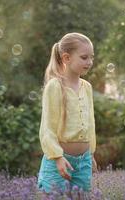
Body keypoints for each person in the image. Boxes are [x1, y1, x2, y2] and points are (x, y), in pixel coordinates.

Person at [37, 32, 97, 196]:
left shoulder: (87, 87)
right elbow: (47, 128)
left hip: (83, 161)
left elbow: (90, 123)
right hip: (59, 161)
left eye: (91, 57)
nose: (90, 62)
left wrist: (90, 154)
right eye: (84, 57)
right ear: (66, 58)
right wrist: (57, 157)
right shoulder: (55, 86)